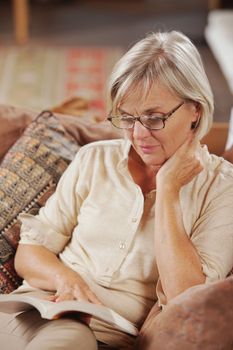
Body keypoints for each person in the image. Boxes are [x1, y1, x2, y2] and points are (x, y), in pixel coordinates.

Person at [0, 30, 233, 350]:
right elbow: (29, 252)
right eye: (127, 117)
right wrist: (68, 279)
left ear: (195, 110)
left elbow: (186, 299)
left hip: (94, 334)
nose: (139, 134)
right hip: (30, 309)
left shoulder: (222, 189)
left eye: (154, 118)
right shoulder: (94, 159)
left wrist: (168, 191)